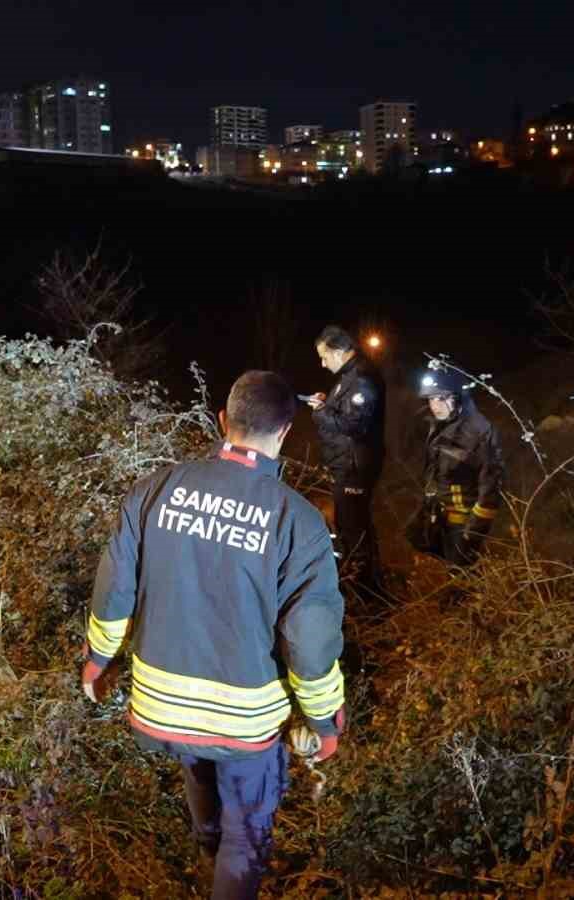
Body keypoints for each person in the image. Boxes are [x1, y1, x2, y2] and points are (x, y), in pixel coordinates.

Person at [82, 370, 347, 900]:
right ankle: (224, 871)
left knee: (199, 770)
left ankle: (208, 853)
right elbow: (309, 637)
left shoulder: (154, 489)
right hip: (244, 724)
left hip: (162, 709)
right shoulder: (298, 521)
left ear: (223, 421)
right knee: (244, 840)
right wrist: (325, 720)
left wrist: (96, 660)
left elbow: (113, 590)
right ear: (286, 433)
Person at [307, 325, 386, 590]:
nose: (321, 363)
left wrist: (320, 412)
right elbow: (347, 412)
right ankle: (366, 583)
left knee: (353, 530)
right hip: (347, 463)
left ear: (339, 351)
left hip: (354, 467)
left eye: (324, 356)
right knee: (352, 525)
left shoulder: (361, 378)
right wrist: (326, 403)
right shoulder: (350, 375)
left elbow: (355, 424)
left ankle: (366, 593)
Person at [406, 366, 504, 566]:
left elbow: (491, 487)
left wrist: (473, 531)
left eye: (441, 398)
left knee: (463, 577)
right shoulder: (438, 425)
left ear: (458, 397)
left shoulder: (479, 431)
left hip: (465, 522)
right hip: (441, 516)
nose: (435, 405)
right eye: (431, 399)